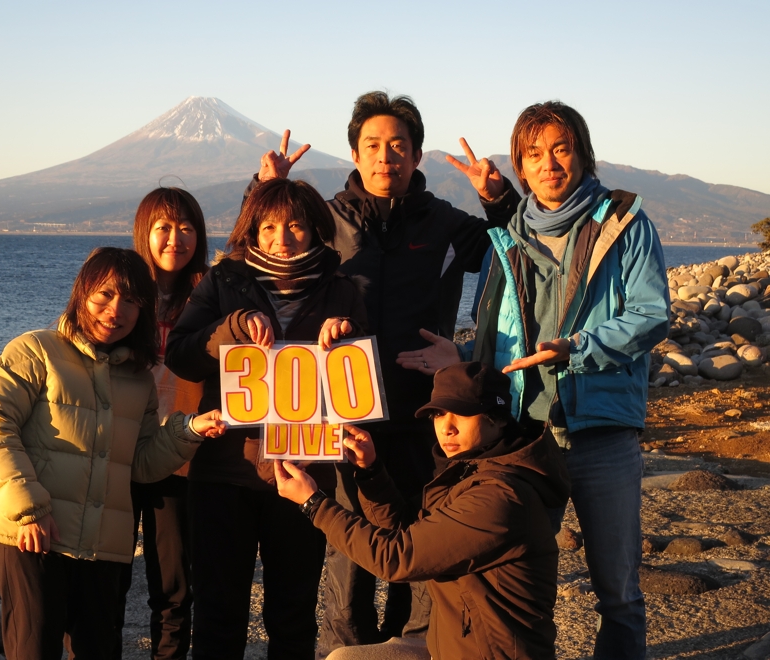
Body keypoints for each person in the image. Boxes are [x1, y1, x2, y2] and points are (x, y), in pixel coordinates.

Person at [397, 101, 671, 659]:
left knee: (617, 591)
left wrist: (577, 349)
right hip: (526, 435)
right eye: (535, 154)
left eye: (561, 149)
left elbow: (651, 313)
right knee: (514, 577)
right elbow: (505, 332)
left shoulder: (623, 224)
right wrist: (465, 352)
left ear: (582, 153)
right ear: (521, 168)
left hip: (600, 434)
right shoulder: (510, 239)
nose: (550, 164)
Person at [253, 92, 506, 655]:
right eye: (373, 145)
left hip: (425, 413)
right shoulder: (327, 220)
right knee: (349, 554)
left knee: (424, 537)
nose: (385, 157)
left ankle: (415, 647)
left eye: (399, 146)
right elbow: (263, 251)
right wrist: (263, 188)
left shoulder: (443, 221)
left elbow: (513, 252)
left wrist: (497, 199)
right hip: (347, 411)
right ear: (354, 152)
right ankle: (345, 650)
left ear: (416, 155)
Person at [0, 247, 227, 660]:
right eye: (104, 295)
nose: (116, 310)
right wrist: (28, 509)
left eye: (130, 301)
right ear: (81, 292)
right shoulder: (35, 350)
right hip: (32, 536)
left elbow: (141, 464)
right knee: (33, 650)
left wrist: (190, 429)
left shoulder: (138, 377)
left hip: (101, 547)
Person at [164, 178, 370, 659]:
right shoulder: (223, 282)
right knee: (218, 613)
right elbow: (181, 355)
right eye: (270, 226)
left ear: (316, 229)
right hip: (224, 474)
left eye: (296, 225)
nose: (283, 237)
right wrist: (228, 328)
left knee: (293, 613)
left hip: (302, 474)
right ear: (252, 231)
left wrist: (349, 337)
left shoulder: (342, 290)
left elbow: (361, 378)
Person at [274, 361, 570, 660]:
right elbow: (405, 528)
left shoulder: (502, 495)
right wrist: (370, 470)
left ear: (498, 419)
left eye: (463, 413)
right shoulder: (468, 473)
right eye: (439, 413)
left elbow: (396, 558)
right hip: (451, 648)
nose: (446, 427)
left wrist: (314, 504)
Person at [120, 187, 210, 659]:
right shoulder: (121, 294)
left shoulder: (211, 295)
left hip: (178, 457)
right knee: (103, 583)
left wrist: (258, 190)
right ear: (144, 233)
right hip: (116, 449)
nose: (175, 238)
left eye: (186, 227)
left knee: (173, 587)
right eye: (163, 227)